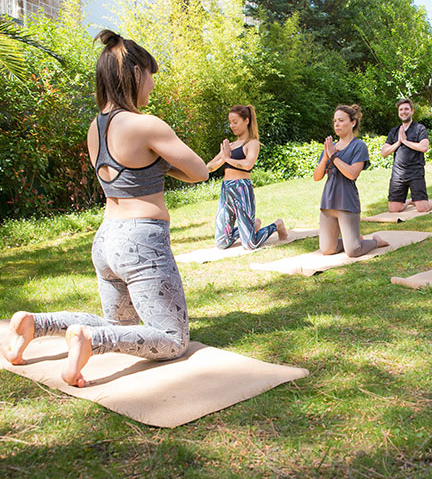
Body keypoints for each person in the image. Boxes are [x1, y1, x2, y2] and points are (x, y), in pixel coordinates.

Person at [1, 30, 209, 386]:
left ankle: (37, 324)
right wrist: (162, 162)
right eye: (150, 75)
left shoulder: (95, 127)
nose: (152, 85)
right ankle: (93, 340)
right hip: (143, 240)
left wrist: (154, 163)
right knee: (173, 339)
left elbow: (129, 170)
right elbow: (199, 171)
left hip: (107, 239)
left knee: (122, 326)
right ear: (135, 74)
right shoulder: (146, 125)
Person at [206, 105, 287, 250]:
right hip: (226, 190)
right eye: (230, 122)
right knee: (221, 242)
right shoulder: (229, 146)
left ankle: (277, 225)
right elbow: (209, 167)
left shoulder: (252, 143)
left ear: (246, 121)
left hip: (241, 188)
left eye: (235, 122)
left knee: (250, 245)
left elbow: (248, 164)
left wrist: (227, 158)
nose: (232, 126)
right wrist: (223, 159)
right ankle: (252, 225)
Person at [313, 104, 389, 256]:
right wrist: (326, 157)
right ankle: (351, 239)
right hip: (328, 202)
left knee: (353, 251)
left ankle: (375, 241)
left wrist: (333, 156)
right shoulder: (330, 147)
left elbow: (352, 174)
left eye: (341, 120)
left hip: (347, 202)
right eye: (335, 121)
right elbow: (317, 177)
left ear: (353, 122)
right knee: (327, 250)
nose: (337, 124)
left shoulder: (359, 146)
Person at [381, 98, 432, 212]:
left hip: (415, 172)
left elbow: (424, 147)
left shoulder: (419, 128)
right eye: (401, 109)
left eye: (406, 109)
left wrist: (405, 141)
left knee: (423, 208)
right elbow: (384, 153)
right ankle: (410, 201)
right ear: (398, 112)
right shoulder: (394, 131)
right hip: (398, 173)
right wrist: (398, 142)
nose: (403, 112)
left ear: (412, 111)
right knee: (393, 209)